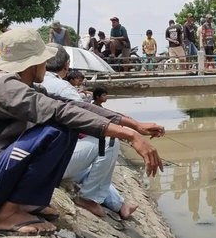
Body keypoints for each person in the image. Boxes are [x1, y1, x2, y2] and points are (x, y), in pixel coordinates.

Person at [0, 29, 164, 235]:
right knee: (57, 129)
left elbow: (72, 106)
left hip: (4, 168)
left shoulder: (25, 85)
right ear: (33, 63)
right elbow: (62, 111)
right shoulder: (5, 86)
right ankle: (7, 214)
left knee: (67, 125)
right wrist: (129, 136)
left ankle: (28, 203)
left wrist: (133, 125)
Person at [40, 45, 142, 219]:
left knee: (89, 172)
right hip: (50, 159)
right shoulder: (62, 88)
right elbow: (86, 116)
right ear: (67, 65)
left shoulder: (32, 83)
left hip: (46, 154)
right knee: (108, 141)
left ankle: (119, 204)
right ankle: (88, 198)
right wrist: (128, 131)